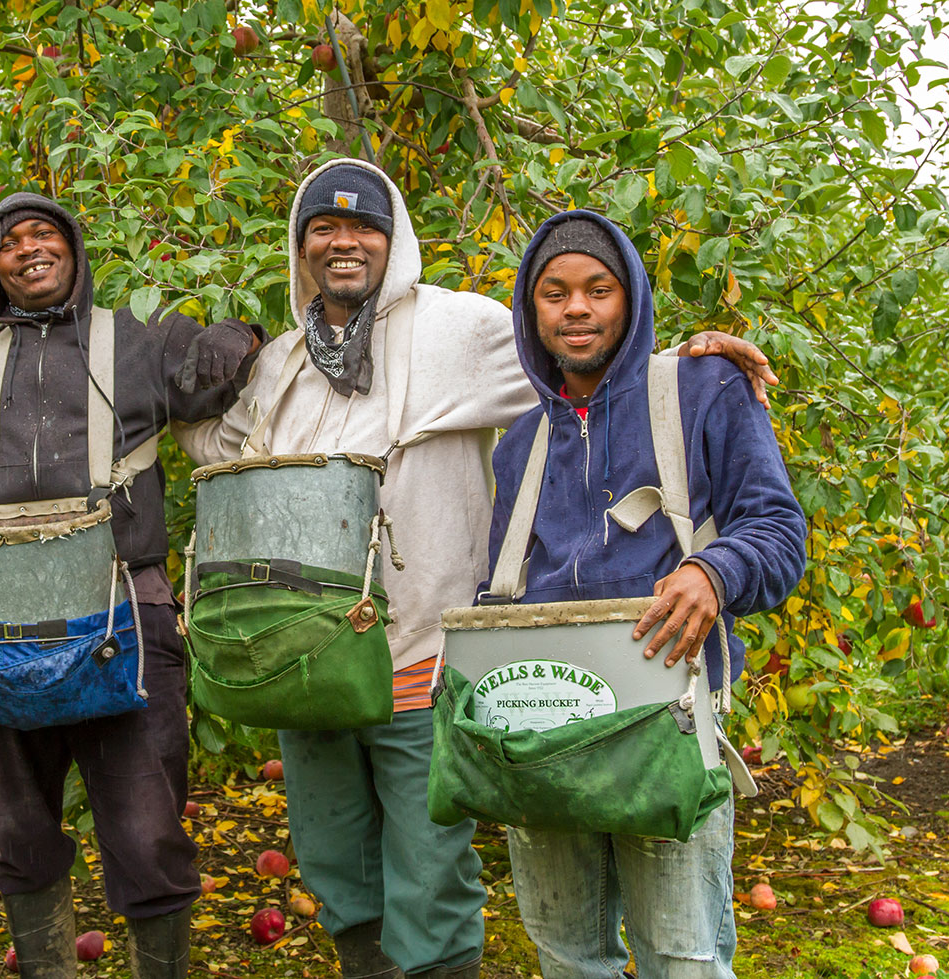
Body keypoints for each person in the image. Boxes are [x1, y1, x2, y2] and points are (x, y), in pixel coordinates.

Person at [172, 160, 776, 979]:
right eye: (324, 226)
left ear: (397, 239)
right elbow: (218, 446)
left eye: (365, 226)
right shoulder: (281, 363)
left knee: (436, 874)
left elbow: (595, 362)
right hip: (304, 664)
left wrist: (696, 358)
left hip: (425, 653)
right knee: (337, 861)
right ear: (300, 245)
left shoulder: (462, 330)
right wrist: (187, 368)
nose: (345, 241)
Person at [0, 192, 264, 979]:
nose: (30, 249)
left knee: (148, 828)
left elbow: (240, 361)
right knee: (19, 826)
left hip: (125, 606)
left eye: (46, 234)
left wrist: (238, 333)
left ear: (73, 249)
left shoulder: (138, 337)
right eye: (10, 242)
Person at [485, 209, 807, 978]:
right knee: (567, 952)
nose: (578, 309)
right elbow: (496, 593)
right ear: (532, 311)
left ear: (629, 297)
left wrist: (712, 570)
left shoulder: (701, 388)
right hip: (546, 734)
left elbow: (777, 531)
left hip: (666, 723)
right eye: (555, 292)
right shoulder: (519, 446)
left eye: (598, 288)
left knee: (682, 955)